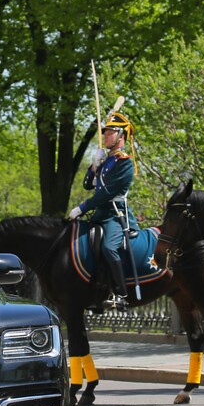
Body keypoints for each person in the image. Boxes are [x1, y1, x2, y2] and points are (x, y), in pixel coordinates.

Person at [67, 112, 140, 311]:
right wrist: (94, 165)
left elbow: (107, 193)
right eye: (105, 133)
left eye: (110, 133)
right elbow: (87, 185)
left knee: (108, 247)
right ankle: (97, 293)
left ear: (120, 136)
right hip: (100, 214)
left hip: (115, 215)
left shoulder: (125, 162)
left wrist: (82, 207)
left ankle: (122, 294)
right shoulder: (107, 161)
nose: (106, 136)